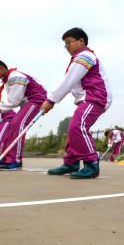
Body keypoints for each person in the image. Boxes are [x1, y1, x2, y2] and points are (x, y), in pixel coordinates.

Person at [43, 28, 113, 179]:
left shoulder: (85, 56)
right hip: (88, 98)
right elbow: (71, 83)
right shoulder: (78, 59)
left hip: (97, 97)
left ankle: (92, 163)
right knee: (73, 128)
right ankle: (71, 162)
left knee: (78, 126)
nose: (66, 46)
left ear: (81, 41)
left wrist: (51, 100)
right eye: (65, 44)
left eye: (69, 42)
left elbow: (68, 81)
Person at [0, 58, 47, 170]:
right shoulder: (9, 79)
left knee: (17, 125)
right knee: (12, 127)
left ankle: (15, 161)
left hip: (36, 101)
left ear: (1, 68)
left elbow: (13, 102)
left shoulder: (15, 77)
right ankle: (6, 158)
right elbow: (13, 101)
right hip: (28, 103)